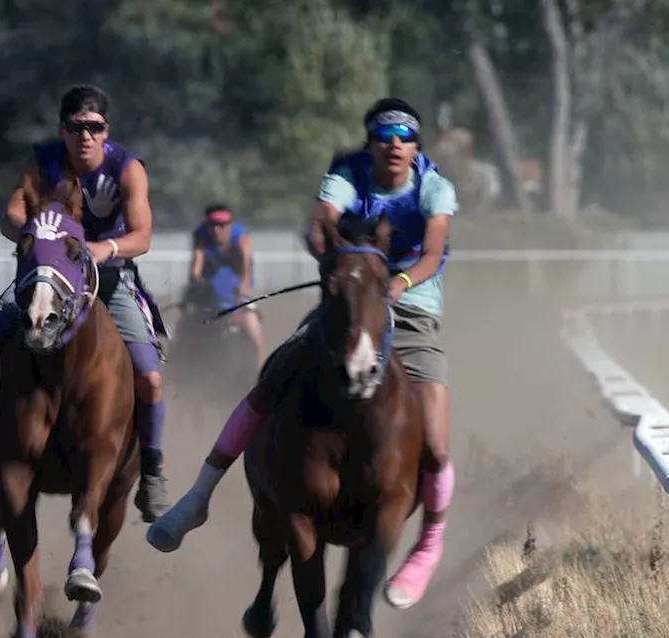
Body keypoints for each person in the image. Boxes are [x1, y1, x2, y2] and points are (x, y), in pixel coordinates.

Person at [147, 98, 458, 608]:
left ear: (416, 145)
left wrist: (396, 283)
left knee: (438, 443)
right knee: (274, 377)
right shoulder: (346, 175)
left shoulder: (434, 187)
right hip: (346, 302)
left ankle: (429, 542)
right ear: (371, 144)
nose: (396, 143)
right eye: (386, 135)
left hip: (411, 311)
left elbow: (431, 253)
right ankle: (198, 496)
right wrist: (337, 261)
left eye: (406, 135)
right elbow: (320, 223)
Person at [0, 84, 172, 523]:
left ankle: (152, 471)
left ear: (106, 130)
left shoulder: (127, 168)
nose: (85, 136)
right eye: (76, 127)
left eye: (94, 127)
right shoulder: (42, 161)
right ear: (63, 129)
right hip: (48, 275)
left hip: (109, 278)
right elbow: (11, 214)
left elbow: (142, 235)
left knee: (149, 379)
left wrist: (102, 250)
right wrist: (39, 236)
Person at [188, 203, 264, 370]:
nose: (217, 230)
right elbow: (196, 270)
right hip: (209, 291)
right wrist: (199, 285)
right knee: (185, 327)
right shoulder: (200, 236)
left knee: (254, 333)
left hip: (236, 290)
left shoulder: (241, 236)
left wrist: (243, 290)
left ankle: (259, 373)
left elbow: (246, 268)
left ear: (230, 225)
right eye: (212, 225)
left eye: (222, 225)